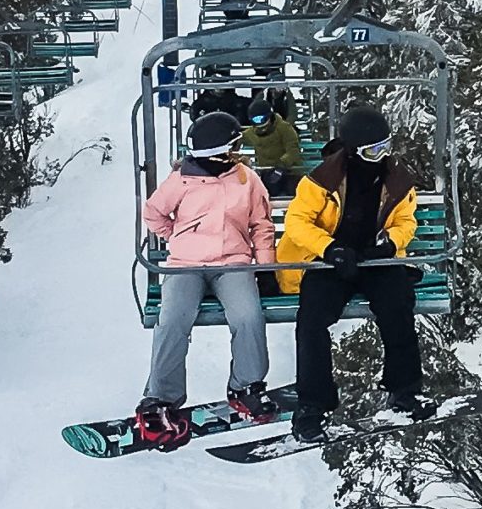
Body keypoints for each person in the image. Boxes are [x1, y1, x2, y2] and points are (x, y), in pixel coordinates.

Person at [276, 107, 427, 443]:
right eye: (374, 150)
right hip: (332, 261)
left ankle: (405, 390)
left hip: (374, 260)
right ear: (354, 149)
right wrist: (329, 248)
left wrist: (391, 244)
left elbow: (406, 221)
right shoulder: (321, 180)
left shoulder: (396, 178)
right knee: (312, 319)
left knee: (398, 305)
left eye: (387, 146)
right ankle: (313, 403)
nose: (383, 155)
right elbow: (297, 222)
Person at [133, 107, 277, 448]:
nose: (239, 154)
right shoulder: (182, 179)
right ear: (216, 154)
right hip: (187, 264)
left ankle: (246, 385)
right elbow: (153, 212)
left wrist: (267, 267)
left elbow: (261, 224)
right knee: (172, 320)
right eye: (233, 148)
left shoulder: (246, 179)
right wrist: (175, 236)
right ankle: (161, 396)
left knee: (248, 316)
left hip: (233, 262)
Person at [240, 93, 304, 194]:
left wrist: (281, 166)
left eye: (262, 119)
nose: (260, 125)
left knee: (293, 188)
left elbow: (293, 150)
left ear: (270, 116)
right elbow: (238, 139)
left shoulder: (284, 128)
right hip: (267, 172)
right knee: (262, 190)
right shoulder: (252, 132)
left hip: (289, 171)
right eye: (255, 120)